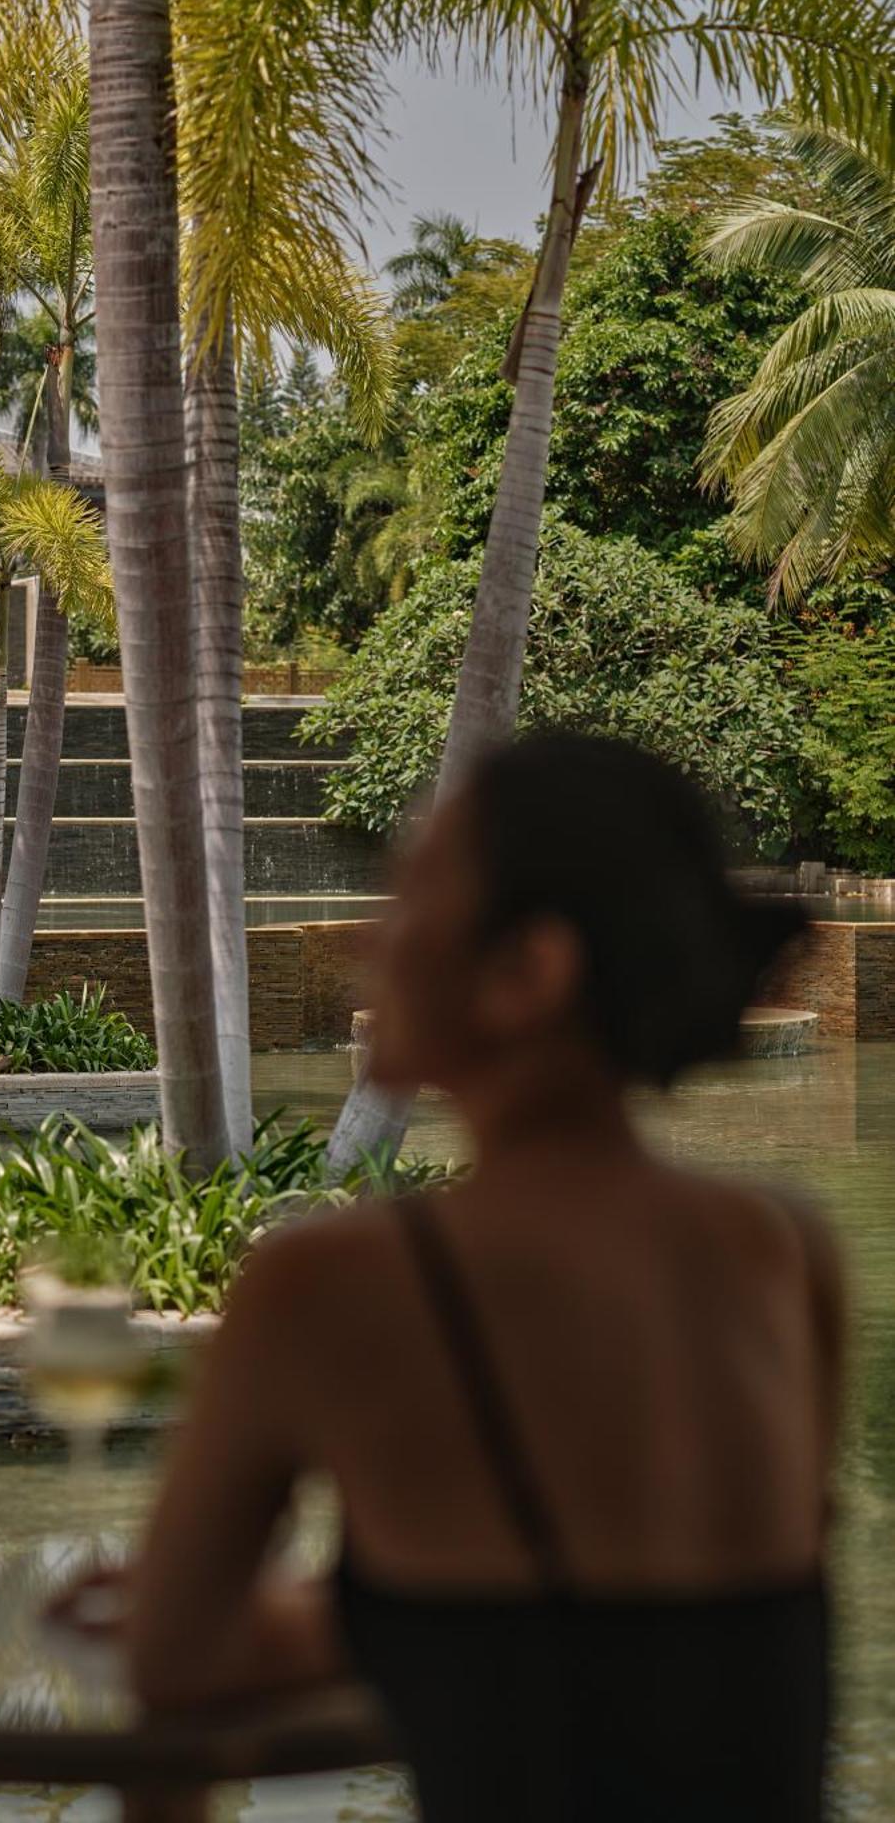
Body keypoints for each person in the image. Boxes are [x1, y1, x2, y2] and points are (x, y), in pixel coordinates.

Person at [119, 734, 840, 1821]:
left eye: (410, 900)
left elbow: (173, 1653)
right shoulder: (782, 1249)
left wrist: (325, 1617)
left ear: (527, 972)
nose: (370, 939)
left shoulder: (331, 1280)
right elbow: (659, 1633)